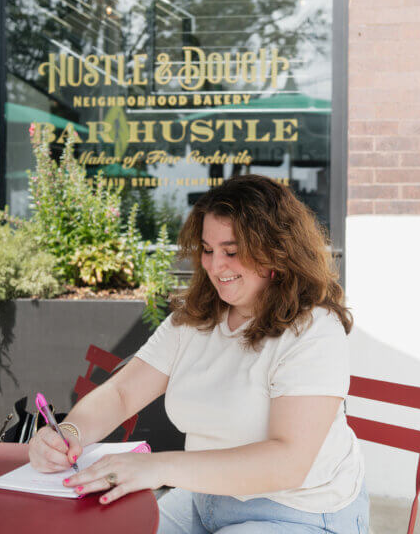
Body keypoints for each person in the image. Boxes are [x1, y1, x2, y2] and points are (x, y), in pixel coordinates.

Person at [29, 174, 368, 533]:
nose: (215, 266)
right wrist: (70, 432)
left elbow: (288, 462)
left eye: (231, 252)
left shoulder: (314, 329)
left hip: (298, 510)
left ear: (276, 251)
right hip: (205, 498)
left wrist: (157, 468)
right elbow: (122, 393)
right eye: (207, 249)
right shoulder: (195, 319)